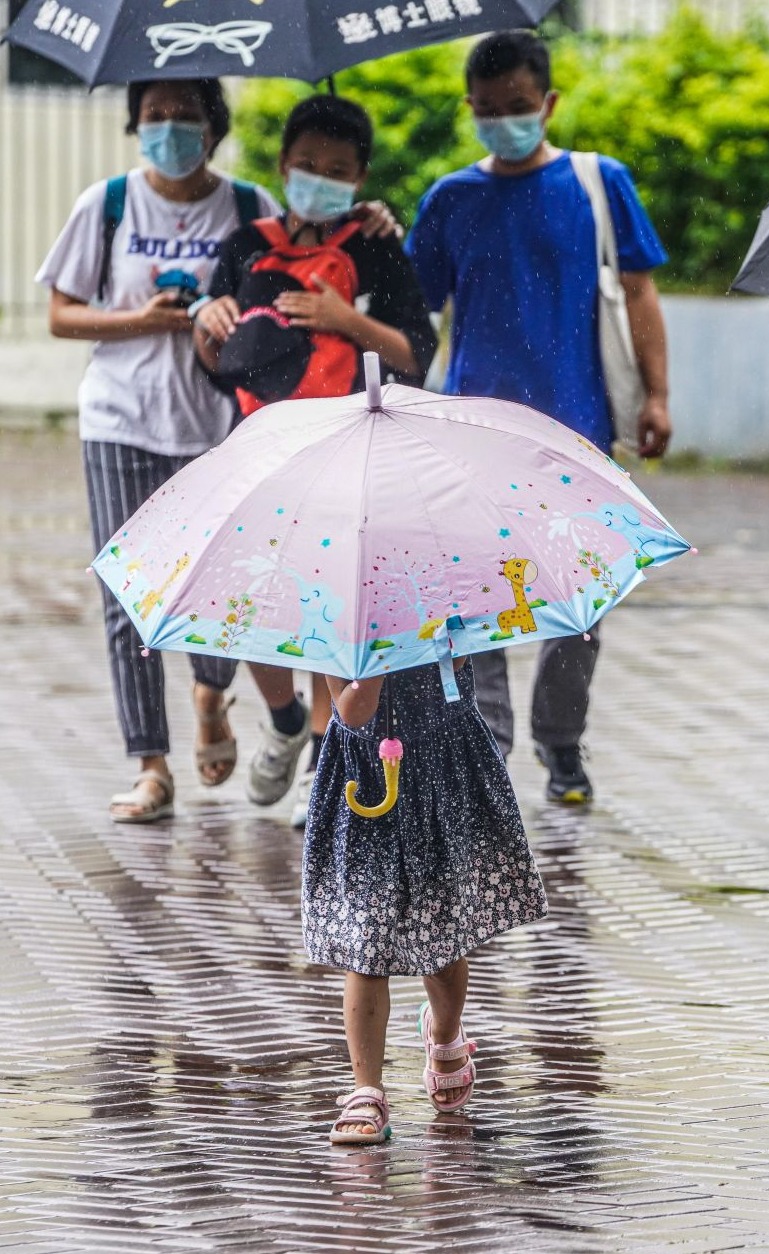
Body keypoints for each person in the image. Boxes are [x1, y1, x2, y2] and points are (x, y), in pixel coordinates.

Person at [406, 30, 672, 805]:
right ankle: (488, 748)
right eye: (488, 111)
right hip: (470, 440)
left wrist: (657, 394)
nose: (504, 121)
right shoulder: (449, 199)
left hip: (576, 433)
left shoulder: (597, 184)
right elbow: (415, 313)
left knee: (580, 605)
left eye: (519, 108)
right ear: (469, 110)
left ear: (548, 103)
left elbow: (641, 292)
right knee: (473, 601)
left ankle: (562, 741)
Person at [38, 78, 284, 825]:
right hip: (120, 421)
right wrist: (140, 320)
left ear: (215, 126)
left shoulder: (250, 208)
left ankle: (211, 693)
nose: (170, 129)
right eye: (155, 117)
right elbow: (60, 314)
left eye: (187, 116)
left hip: (221, 428)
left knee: (223, 590)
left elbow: (289, 288)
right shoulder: (106, 204)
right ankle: (150, 764)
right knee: (127, 600)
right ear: (134, 125)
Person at [194, 95, 437, 821]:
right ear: (282, 165)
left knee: (331, 598)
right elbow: (221, 362)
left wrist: (346, 320)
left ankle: (329, 757)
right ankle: (286, 718)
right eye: (307, 166)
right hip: (260, 449)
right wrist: (206, 327)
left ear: (361, 176)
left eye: (337, 169)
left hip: (347, 453)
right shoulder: (245, 245)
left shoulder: (377, 249)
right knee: (253, 599)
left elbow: (415, 356)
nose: (319, 178)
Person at [304, 657, 548, 1145]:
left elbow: (458, 683)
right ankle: (366, 1088)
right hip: (364, 781)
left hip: (441, 772)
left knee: (440, 940)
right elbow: (352, 713)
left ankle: (444, 1032)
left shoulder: (441, 601)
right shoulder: (337, 624)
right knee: (366, 944)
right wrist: (370, 665)